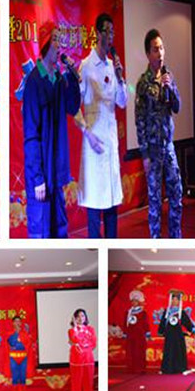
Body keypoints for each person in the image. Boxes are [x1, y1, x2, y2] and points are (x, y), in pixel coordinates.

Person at [22, 22, 81, 238]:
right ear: (46, 44)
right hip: (41, 174)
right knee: (42, 232)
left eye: (59, 40)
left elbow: (72, 106)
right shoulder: (34, 82)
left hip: (56, 172)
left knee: (59, 230)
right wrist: (37, 177)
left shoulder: (58, 79)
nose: (59, 45)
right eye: (55, 39)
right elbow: (31, 135)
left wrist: (72, 77)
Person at [74, 12, 127, 238]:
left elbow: (122, 102)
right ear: (97, 33)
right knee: (95, 203)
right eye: (107, 31)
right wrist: (87, 133)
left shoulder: (112, 66)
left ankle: (112, 244)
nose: (110, 36)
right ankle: (96, 248)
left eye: (112, 32)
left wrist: (120, 77)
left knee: (112, 202)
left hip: (110, 139)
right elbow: (74, 106)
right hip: (94, 141)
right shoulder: (86, 66)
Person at [135, 29, 183, 238]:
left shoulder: (168, 76)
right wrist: (145, 154)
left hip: (169, 146)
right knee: (155, 202)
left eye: (162, 48)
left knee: (177, 195)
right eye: (155, 49)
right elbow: (139, 120)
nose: (160, 53)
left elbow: (177, 107)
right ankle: (156, 241)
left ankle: (176, 238)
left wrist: (170, 88)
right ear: (148, 54)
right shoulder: (143, 83)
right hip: (153, 150)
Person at [158, 290, 195, 375]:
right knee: (168, 350)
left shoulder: (181, 312)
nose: (174, 301)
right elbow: (163, 322)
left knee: (178, 351)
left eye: (176, 300)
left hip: (178, 335)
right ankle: (167, 369)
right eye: (173, 299)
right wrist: (161, 331)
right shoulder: (167, 312)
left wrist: (192, 329)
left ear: (179, 301)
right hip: (169, 334)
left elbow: (187, 322)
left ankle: (179, 368)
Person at [68, 308, 97, 391]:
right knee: (76, 385)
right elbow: (76, 340)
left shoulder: (90, 329)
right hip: (76, 360)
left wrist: (82, 344)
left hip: (88, 360)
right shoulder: (71, 331)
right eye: (78, 316)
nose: (81, 318)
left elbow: (93, 343)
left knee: (88, 385)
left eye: (83, 316)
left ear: (86, 317)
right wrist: (76, 329)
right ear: (75, 318)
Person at [122, 290, 150, 373]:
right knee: (130, 351)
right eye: (132, 301)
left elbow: (146, 324)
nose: (134, 303)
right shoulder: (128, 312)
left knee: (139, 351)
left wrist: (147, 333)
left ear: (138, 302)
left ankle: (140, 368)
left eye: (135, 301)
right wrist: (125, 333)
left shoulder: (143, 313)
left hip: (140, 335)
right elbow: (125, 323)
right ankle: (131, 368)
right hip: (130, 335)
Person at [5, 316, 32, 391]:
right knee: (15, 377)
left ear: (21, 323)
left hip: (23, 357)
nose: (17, 323)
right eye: (16, 321)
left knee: (22, 377)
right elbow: (11, 343)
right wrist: (16, 334)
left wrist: (21, 345)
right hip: (13, 358)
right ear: (13, 323)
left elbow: (28, 345)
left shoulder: (25, 333)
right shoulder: (9, 333)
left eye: (19, 321)